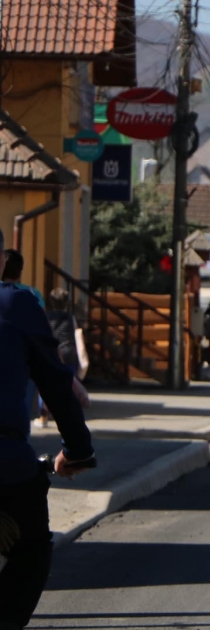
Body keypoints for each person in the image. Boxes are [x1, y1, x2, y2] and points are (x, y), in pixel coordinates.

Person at [0, 229, 96, 629]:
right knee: (33, 549)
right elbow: (56, 384)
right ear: (2, 260)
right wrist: (77, 450)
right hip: (6, 463)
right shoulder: (16, 303)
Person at [3, 250, 46, 429]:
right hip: (24, 360)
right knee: (23, 408)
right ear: (20, 271)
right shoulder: (32, 294)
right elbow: (42, 329)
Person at [39, 289, 89, 426]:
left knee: (45, 383)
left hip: (52, 354)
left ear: (51, 302)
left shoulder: (46, 317)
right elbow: (76, 335)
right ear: (67, 303)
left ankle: (44, 415)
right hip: (69, 354)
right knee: (68, 384)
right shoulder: (71, 318)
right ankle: (68, 414)